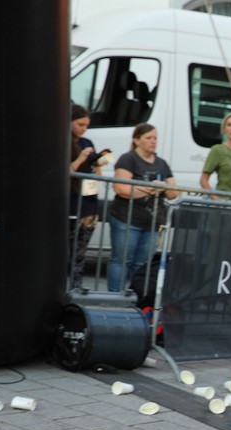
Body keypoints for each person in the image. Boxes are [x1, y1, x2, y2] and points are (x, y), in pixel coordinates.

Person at [108, 123, 178, 293]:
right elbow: (122, 189)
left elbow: (173, 193)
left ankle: (135, 299)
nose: (153, 141)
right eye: (148, 138)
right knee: (122, 260)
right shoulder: (128, 159)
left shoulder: (162, 163)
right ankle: (114, 298)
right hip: (127, 219)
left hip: (153, 223)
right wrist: (151, 187)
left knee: (142, 264)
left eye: (155, 138)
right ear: (136, 140)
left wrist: (164, 188)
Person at [69, 104, 104, 291]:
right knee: (67, 248)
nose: (84, 129)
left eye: (86, 125)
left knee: (81, 250)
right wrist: (81, 158)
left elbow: (97, 172)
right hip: (71, 202)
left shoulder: (87, 142)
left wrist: (98, 162)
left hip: (89, 200)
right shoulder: (63, 142)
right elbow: (65, 171)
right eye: (80, 124)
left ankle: (77, 286)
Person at [199, 112, 231, 197]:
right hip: (224, 202)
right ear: (224, 129)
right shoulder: (217, 150)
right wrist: (216, 200)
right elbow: (203, 180)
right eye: (229, 125)